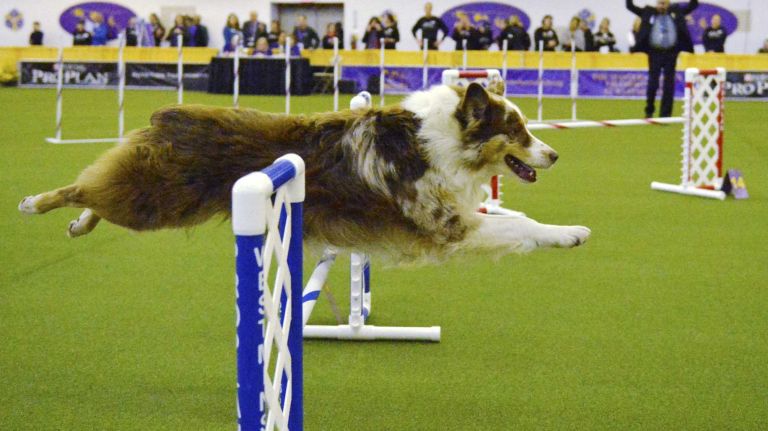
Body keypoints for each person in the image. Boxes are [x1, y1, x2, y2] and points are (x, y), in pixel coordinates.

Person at [626, 0, 699, 118]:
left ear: (668, 4)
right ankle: (649, 110)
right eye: (659, 3)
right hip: (654, 53)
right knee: (653, 82)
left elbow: (693, 5)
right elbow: (630, 6)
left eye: (664, 3)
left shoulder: (677, 11)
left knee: (669, 84)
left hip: (671, 53)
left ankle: (665, 114)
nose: (661, 6)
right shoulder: (648, 12)